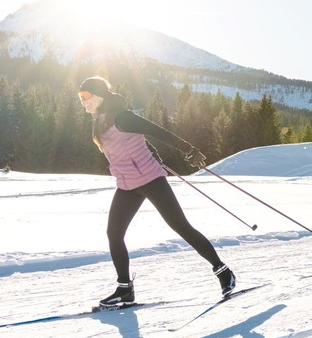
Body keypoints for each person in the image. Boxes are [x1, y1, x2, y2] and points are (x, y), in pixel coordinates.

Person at [77, 76, 235, 307]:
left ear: (100, 94)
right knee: (114, 233)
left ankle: (223, 272)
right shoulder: (100, 120)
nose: (83, 102)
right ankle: (124, 290)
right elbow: (134, 142)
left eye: (86, 96)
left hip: (151, 180)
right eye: (80, 98)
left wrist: (188, 150)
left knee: (181, 227)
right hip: (127, 184)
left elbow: (157, 131)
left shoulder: (122, 116)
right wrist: (153, 154)